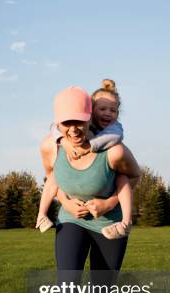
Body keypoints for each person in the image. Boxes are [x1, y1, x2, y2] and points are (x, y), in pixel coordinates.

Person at [40, 86, 141, 293]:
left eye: (78, 122)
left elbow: (134, 175)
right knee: (67, 285)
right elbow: (52, 177)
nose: (73, 129)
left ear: (88, 119)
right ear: (58, 123)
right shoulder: (52, 146)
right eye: (66, 123)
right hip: (71, 221)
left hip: (108, 226)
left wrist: (108, 203)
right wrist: (64, 201)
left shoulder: (114, 150)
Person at [36, 79, 133, 239]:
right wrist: (63, 142)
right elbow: (55, 127)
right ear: (91, 111)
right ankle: (41, 215)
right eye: (102, 109)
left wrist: (90, 146)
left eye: (113, 110)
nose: (107, 113)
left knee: (122, 177)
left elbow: (116, 138)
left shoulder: (113, 131)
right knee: (53, 176)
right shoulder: (62, 137)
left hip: (109, 213)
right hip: (72, 219)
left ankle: (126, 223)